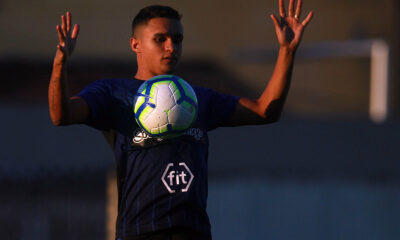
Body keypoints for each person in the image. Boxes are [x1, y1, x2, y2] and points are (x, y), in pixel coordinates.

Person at [49, 1, 313, 239]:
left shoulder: (196, 97)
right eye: (160, 39)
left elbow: (265, 110)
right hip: (140, 232)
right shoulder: (113, 94)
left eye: (177, 39)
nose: (171, 47)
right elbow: (61, 115)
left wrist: (286, 51)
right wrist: (60, 64)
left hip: (193, 232)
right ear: (136, 45)